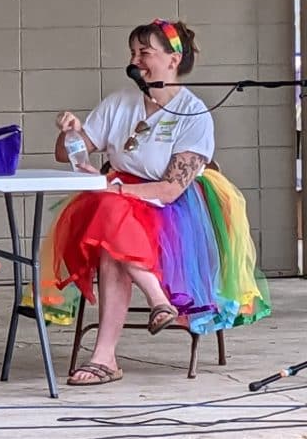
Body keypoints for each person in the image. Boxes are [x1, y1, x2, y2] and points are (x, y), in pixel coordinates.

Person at [44, 19, 270, 386]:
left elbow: (169, 190)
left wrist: (114, 191)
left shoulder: (194, 114)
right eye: (133, 53)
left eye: (144, 53)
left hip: (170, 212)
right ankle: (157, 300)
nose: (135, 61)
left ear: (173, 58)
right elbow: (66, 155)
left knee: (110, 223)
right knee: (111, 217)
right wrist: (69, 133)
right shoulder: (119, 102)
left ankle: (105, 357)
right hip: (115, 199)